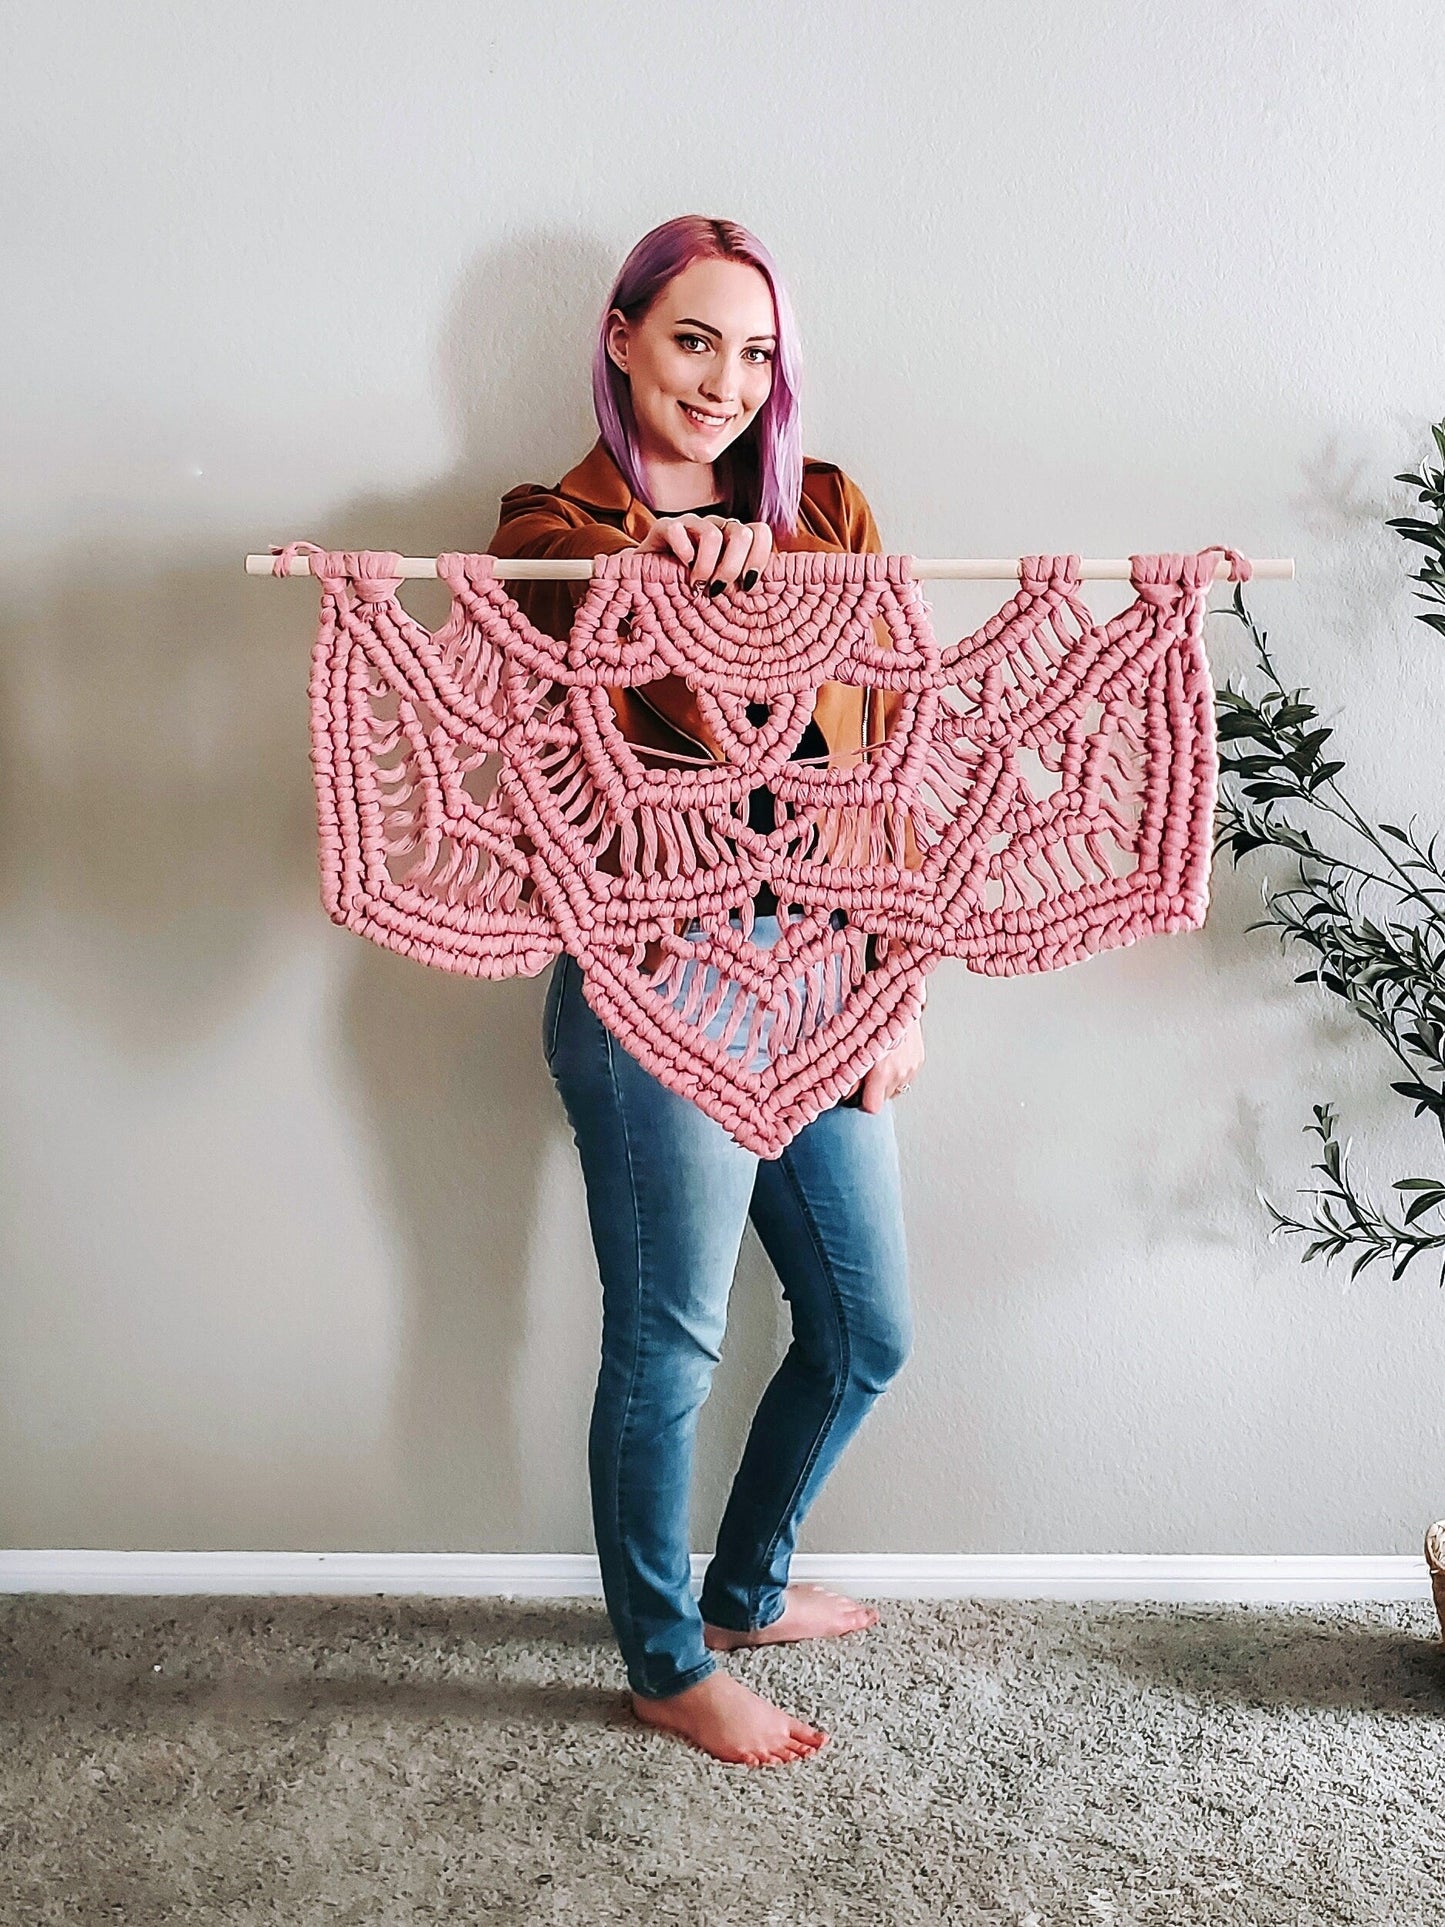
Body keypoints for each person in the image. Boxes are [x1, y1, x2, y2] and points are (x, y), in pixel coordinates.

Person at [486, 215, 924, 1769]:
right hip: (649, 974)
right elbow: (541, 577)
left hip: (817, 970)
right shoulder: (553, 518)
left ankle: (741, 1591)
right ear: (619, 338)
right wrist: (654, 552)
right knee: (666, 1343)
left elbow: (886, 769)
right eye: (692, 339)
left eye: (754, 352)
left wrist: (895, 986)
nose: (726, 381)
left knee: (866, 1329)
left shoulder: (835, 510)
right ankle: (664, 1660)